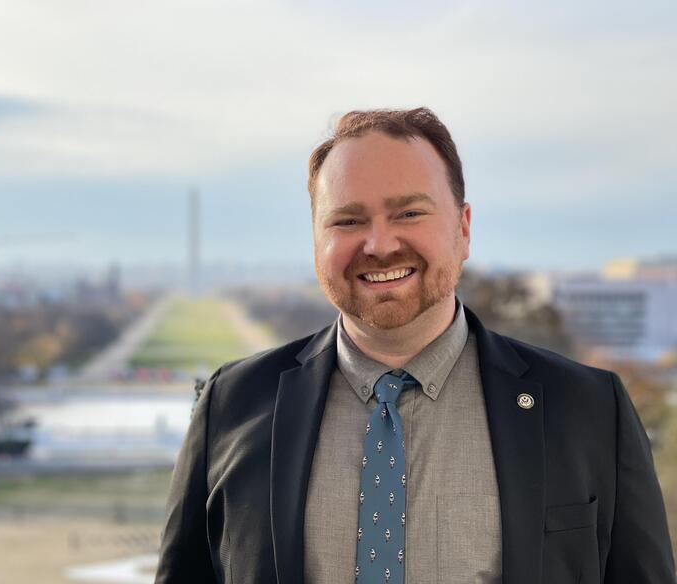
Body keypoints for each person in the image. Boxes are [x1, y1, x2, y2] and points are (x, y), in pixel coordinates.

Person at [154, 108, 675, 583]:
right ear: (316, 240)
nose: (379, 245)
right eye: (348, 220)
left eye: (408, 213)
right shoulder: (232, 407)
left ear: (463, 229)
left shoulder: (586, 410)